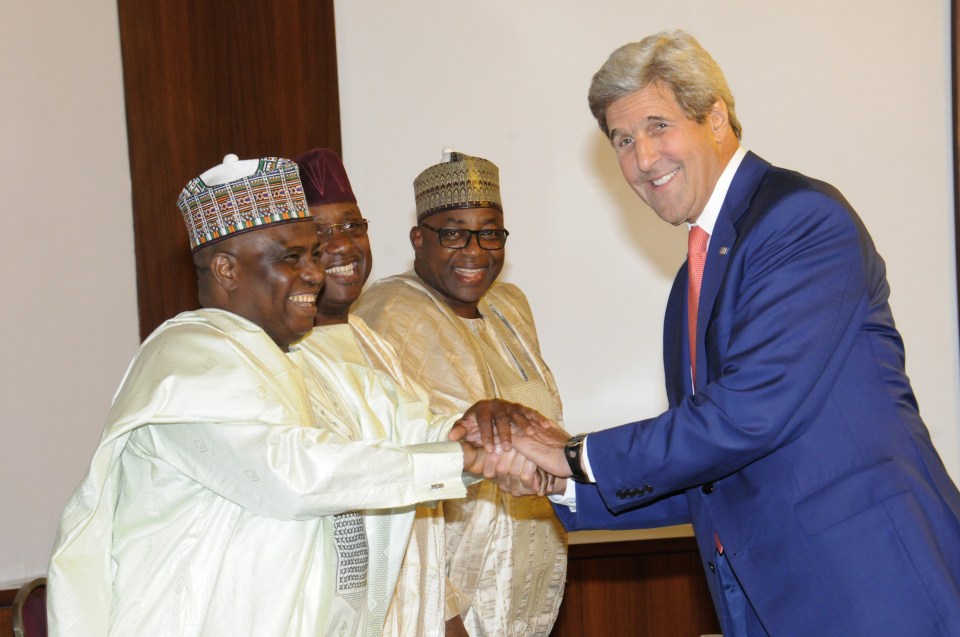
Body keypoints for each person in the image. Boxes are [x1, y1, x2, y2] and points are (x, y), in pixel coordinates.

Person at [492, 30, 960, 637]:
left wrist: (578, 455)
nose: (642, 159)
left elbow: (746, 415)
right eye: (623, 140)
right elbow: (711, 472)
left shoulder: (799, 219)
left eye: (659, 126)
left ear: (716, 119)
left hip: (872, 587)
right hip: (764, 599)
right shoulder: (690, 278)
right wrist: (564, 485)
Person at [46, 154, 541, 637]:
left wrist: (478, 437)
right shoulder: (186, 361)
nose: (315, 273)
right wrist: (457, 459)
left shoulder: (306, 360)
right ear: (226, 270)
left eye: (312, 255)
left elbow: (407, 424)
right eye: (291, 257)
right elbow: (291, 474)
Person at [353, 150, 567, 637]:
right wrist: (442, 614)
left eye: (490, 232)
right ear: (418, 239)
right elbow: (394, 472)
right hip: (446, 598)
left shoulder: (510, 305)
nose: (474, 250)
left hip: (528, 585)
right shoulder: (383, 316)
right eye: (453, 232)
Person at [293, 147, 457, 636]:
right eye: (318, 233)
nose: (342, 246)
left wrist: (445, 611)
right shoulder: (285, 360)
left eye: (351, 226)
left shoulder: (376, 343)